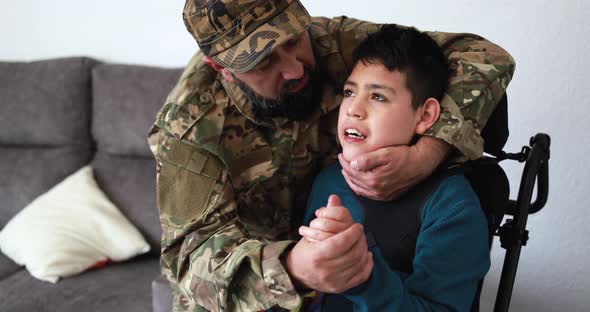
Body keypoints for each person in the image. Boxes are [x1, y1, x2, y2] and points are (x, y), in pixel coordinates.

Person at [147, 0, 514, 310]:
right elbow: (186, 264)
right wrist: (290, 269)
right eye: (262, 62)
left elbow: (486, 58)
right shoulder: (188, 127)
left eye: (293, 41)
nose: (294, 69)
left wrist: (428, 152)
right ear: (221, 69)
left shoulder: (334, 43)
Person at [299, 24, 490, 311]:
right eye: (350, 92)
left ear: (425, 115)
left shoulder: (451, 207)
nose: (353, 109)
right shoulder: (329, 180)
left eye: (378, 97)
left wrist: (361, 274)